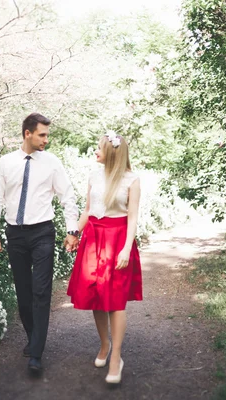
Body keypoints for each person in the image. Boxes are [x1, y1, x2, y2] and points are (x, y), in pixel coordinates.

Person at [0, 113, 80, 373]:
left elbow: (67, 197)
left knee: (41, 291)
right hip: (15, 234)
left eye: (47, 135)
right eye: (42, 135)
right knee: (23, 293)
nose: (46, 140)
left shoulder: (51, 163)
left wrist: (72, 230)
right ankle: (32, 338)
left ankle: (36, 353)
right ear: (27, 133)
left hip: (42, 233)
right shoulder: (6, 163)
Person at [66, 131, 143, 385]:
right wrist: (74, 233)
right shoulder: (93, 176)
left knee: (117, 301)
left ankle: (116, 357)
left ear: (111, 152)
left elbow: (132, 218)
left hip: (118, 239)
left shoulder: (131, 180)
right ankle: (104, 344)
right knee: (97, 297)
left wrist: (125, 248)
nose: (95, 152)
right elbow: (88, 209)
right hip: (93, 238)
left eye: (99, 148)